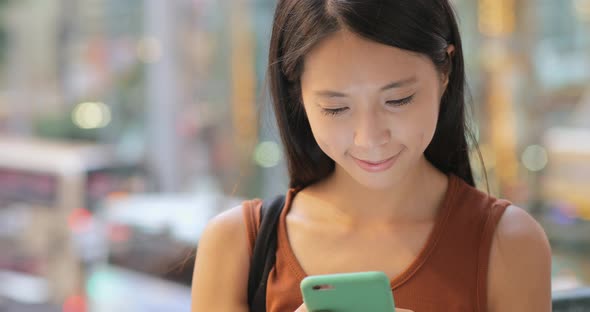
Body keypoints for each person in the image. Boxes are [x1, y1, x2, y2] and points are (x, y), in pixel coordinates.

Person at [191, 0, 552, 311]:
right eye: (335, 108)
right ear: (297, 95)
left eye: (398, 100)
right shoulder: (237, 245)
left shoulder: (510, 244)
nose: (370, 138)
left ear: (445, 71)